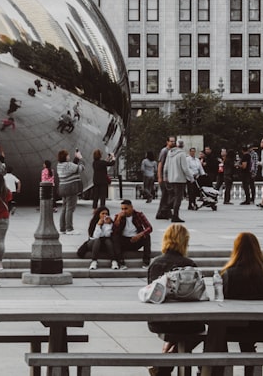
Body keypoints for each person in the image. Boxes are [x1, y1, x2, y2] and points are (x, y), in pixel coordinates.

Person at [146, 223, 205, 376]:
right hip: (185, 321)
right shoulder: (189, 264)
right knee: (205, 330)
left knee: (179, 332)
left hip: (159, 321)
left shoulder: (155, 264)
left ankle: (165, 363)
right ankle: (202, 369)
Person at [220, 232, 263, 375]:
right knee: (247, 333)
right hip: (261, 325)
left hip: (235, 326)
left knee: (216, 334)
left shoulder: (229, 273)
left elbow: (226, 300)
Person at [113, 198, 152, 269]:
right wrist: (118, 219)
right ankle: (121, 262)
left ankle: (146, 262)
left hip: (136, 240)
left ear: (131, 207)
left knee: (147, 236)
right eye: (122, 209)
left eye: (126, 209)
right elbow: (114, 231)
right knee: (115, 237)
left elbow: (149, 228)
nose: (124, 211)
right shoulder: (119, 216)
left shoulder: (139, 215)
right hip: (124, 241)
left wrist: (140, 235)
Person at [164, 140, 194, 223]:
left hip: (171, 178)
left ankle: (166, 208)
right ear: (183, 145)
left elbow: (166, 166)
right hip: (179, 179)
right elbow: (185, 168)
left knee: (173, 196)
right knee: (178, 197)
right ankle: (175, 215)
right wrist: (191, 177)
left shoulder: (170, 153)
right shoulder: (182, 154)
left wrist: (165, 176)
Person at [56, 149, 84, 235]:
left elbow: (73, 167)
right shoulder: (69, 165)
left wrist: (76, 159)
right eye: (68, 155)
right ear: (65, 157)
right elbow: (81, 168)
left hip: (62, 188)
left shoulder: (59, 165)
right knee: (70, 209)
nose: (69, 156)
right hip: (71, 188)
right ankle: (69, 228)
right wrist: (80, 158)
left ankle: (62, 228)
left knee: (64, 208)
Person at [84, 206, 119, 270]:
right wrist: (98, 225)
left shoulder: (110, 223)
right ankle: (94, 261)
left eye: (106, 214)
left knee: (108, 240)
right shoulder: (94, 222)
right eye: (103, 214)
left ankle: (114, 261)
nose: (105, 215)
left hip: (105, 243)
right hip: (93, 242)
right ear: (98, 214)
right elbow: (95, 236)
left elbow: (107, 235)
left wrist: (108, 225)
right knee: (97, 240)